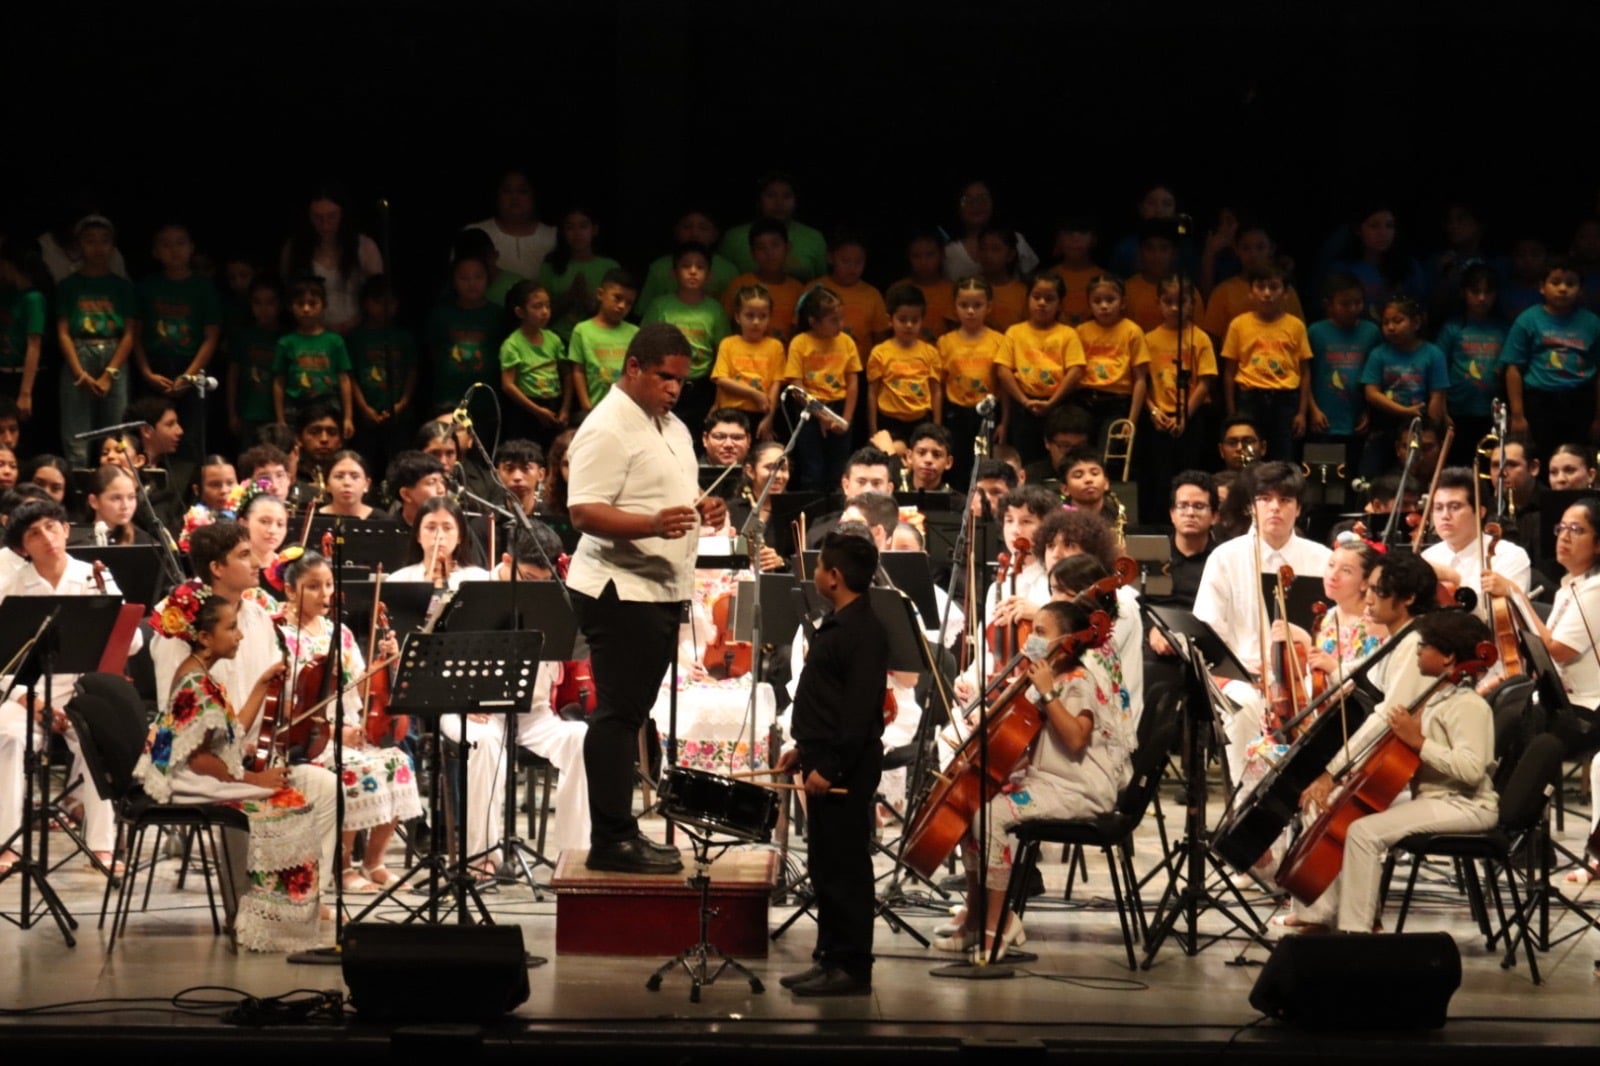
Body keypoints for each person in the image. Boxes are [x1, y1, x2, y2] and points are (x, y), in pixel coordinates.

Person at [565, 323, 726, 873]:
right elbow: (584, 511)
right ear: (633, 367)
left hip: (657, 588)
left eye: (682, 380)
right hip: (618, 589)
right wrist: (652, 523)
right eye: (665, 377)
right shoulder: (607, 427)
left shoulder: (672, 427)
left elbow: (670, 497)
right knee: (617, 714)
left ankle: (624, 830)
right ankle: (611, 839)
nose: (675, 389)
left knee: (630, 712)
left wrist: (703, 509)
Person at [934, 598, 1132, 961]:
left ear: (1069, 639)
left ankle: (998, 929)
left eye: (1041, 633)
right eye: (1032, 631)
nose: (1031, 641)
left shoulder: (1078, 681)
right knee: (970, 802)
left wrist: (1047, 692)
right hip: (1048, 782)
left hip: (1080, 789)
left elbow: (1075, 738)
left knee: (991, 817)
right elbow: (1030, 743)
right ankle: (976, 919)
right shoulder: (1046, 677)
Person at [135, 588, 321, 951]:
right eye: (231, 628)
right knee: (287, 804)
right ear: (205, 638)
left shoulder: (202, 674)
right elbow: (199, 759)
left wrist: (262, 685)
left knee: (286, 796)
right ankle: (263, 921)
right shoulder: (195, 684)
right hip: (188, 780)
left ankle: (265, 915)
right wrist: (254, 780)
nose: (240, 635)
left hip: (202, 772)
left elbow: (229, 729)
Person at [1290, 609, 1498, 934]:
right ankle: (1321, 916)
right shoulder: (1436, 695)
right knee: (1340, 811)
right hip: (1434, 797)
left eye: (1424, 646)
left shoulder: (1469, 705)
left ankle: (1357, 930)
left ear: (1448, 657)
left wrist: (1418, 742)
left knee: (1364, 833)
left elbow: (1472, 770)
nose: (1417, 650)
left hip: (1467, 805)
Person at [774, 530, 889, 996]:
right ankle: (828, 956)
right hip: (820, 756)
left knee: (846, 869)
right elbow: (825, 699)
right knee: (824, 865)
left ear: (834, 576)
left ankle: (852, 966)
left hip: (845, 767)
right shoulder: (838, 623)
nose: (815, 574)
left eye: (820, 567)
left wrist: (832, 766)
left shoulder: (864, 631)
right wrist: (804, 748)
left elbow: (859, 712)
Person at [438, 526, 592, 872]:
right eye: (526, 577)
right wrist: (464, 699)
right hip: (471, 709)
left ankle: (573, 857)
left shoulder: (556, 596)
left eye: (543, 580)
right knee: (485, 744)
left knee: (582, 739)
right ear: (506, 561)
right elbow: (439, 655)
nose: (535, 587)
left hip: (532, 712)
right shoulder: (468, 589)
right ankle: (482, 858)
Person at [0, 499, 142, 874]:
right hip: (29, 694)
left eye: (52, 526)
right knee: (7, 734)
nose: (47, 537)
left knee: (97, 737)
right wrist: (35, 705)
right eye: (34, 533)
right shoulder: (11, 588)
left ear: (65, 529)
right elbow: (3, 667)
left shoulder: (93, 574)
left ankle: (102, 847)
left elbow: (134, 643)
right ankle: (8, 845)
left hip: (83, 690)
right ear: (22, 546)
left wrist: (107, 601)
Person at [274, 551, 419, 893]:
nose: (325, 593)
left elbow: (363, 686)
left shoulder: (339, 632)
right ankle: (343, 866)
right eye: (312, 586)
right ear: (291, 590)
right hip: (308, 738)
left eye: (328, 585)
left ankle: (375, 862)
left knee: (398, 761)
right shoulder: (280, 634)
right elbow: (291, 702)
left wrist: (387, 660)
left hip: (349, 730)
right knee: (355, 769)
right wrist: (337, 733)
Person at [1192, 461, 1333, 782]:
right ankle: (1246, 798)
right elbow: (1209, 627)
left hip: (1304, 676)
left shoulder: (1322, 558)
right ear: (1252, 506)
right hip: (1242, 675)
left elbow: (1331, 625)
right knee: (1242, 708)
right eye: (1265, 499)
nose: (1275, 508)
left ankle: (1306, 792)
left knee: (1323, 701)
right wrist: (1246, 671)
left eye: (1285, 501)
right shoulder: (1226, 556)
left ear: (1298, 509)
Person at [134, 222, 221, 458]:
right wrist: (146, 372)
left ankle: (188, 491)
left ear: (191, 247)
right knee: (151, 437)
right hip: (156, 370)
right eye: (166, 244)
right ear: (155, 251)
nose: (174, 250)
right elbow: (136, 334)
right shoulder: (146, 286)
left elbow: (211, 336)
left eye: (180, 243)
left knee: (190, 438)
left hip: (191, 369)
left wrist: (189, 376)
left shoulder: (203, 287)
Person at [1501, 256, 1600, 465]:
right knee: (1540, 460)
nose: (1563, 289)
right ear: (1542, 287)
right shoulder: (1528, 320)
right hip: (1540, 403)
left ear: (1580, 289)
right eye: (1555, 283)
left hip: (1580, 401)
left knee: (1578, 460)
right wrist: (1518, 415)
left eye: (1570, 284)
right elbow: (1513, 369)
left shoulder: (1592, 322)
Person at [55, 216, 136, 466]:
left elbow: (130, 333)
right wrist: (79, 372)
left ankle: (114, 487)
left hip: (114, 357)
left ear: (112, 246)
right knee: (77, 434)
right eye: (90, 241)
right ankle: (79, 495)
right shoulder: (69, 286)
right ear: (79, 245)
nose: (97, 247)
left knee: (114, 432)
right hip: (79, 355)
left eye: (104, 241)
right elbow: (63, 332)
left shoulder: (122, 287)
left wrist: (110, 372)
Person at [1137, 274, 1217, 522]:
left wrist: (1184, 415)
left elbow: (1205, 381)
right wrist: (1152, 411)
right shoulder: (1148, 339)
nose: (1174, 308)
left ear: (1192, 304)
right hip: (1158, 417)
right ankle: (1162, 523)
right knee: (1160, 476)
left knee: (1189, 472)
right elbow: (1142, 382)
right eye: (1168, 301)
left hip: (1191, 416)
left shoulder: (1200, 337)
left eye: (1181, 302)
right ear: (1158, 303)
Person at [1221, 263, 1313, 464]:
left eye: (1274, 287)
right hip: (1249, 397)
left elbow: (1305, 372)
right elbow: (1229, 372)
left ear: (1286, 293)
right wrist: (1232, 411)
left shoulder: (1295, 325)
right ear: (1251, 292)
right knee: (1247, 456)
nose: (1267, 293)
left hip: (1285, 399)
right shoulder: (1239, 324)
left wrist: (1302, 413)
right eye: (1261, 287)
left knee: (1283, 458)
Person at [641, 242, 729, 435]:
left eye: (700, 267)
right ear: (673, 273)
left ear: (709, 274)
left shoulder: (715, 310)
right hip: (665, 382)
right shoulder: (660, 306)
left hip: (701, 386)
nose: (693, 271)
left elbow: (722, 351)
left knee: (697, 435)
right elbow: (646, 346)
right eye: (686, 266)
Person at [997, 272, 1085, 466]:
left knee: (1061, 462)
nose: (1042, 303)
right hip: (1023, 407)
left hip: (1058, 407)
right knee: (1025, 460)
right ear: (1027, 298)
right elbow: (1003, 370)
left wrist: (1052, 402)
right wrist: (1024, 400)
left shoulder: (1067, 334)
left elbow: (1075, 371)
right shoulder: (1015, 332)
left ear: (1060, 303)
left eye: (1049, 298)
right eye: (1036, 297)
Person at [1421, 466, 1532, 617]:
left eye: (1455, 507)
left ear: (1480, 512)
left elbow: (1505, 619)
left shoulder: (1509, 556)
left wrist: (1455, 579)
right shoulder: (1428, 557)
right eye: (1438, 508)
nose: (1445, 515)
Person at [1358, 295, 1448, 476]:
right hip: (1385, 422)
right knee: (1372, 474)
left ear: (1415, 323)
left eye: (1398, 321)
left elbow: (1437, 395)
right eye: (1386, 322)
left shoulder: (1433, 353)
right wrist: (1403, 411)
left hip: (1420, 423)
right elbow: (1371, 393)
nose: (1391, 327)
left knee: (1419, 474)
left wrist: (1433, 426)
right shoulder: (1378, 354)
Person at [782, 286, 861, 492]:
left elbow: (852, 382)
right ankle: (811, 516)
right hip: (809, 410)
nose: (840, 325)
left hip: (839, 407)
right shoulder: (800, 343)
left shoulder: (846, 342)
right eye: (833, 320)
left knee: (839, 469)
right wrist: (821, 416)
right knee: (812, 469)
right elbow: (796, 386)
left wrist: (846, 419)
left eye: (841, 318)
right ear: (813, 321)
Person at [279, 184, 384, 335]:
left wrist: (357, 321)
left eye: (332, 216)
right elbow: (287, 293)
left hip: (359, 331)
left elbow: (377, 295)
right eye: (317, 217)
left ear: (343, 214)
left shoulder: (365, 247)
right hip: (311, 332)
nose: (325, 224)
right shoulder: (294, 248)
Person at [1306, 272, 1380, 474]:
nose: (1353, 309)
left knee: (1355, 480)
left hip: (1356, 420)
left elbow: (1375, 376)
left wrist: (1367, 411)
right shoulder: (1315, 332)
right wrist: (1312, 409)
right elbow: (1306, 375)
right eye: (1345, 304)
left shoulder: (1371, 332)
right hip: (1324, 420)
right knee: (1324, 481)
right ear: (1328, 304)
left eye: (1357, 302)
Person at [937, 277, 1008, 487]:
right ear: (955, 307)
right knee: (957, 465)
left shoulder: (998, 341)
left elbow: (1003, 385)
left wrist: (1004, 422)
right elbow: (939, 387)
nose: (970, 311)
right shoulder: (945, 342)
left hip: (986, 416)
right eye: (964, 305)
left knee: (983, 464)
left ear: (989, 307)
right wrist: (938, 423)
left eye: (977, 305)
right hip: (955, 415)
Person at [343, 274, 418, 467]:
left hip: (399, 414)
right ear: (366, 303)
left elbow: (412, 371)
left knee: (400, 463)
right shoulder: (356, 337)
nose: (385, 307)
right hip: (366, 414)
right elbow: (350, 376)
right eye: (378, 301)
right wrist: (364, 408)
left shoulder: (403, 337)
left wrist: (401, 404)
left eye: (390, 302)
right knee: (364, 463)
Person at [1434, 263, 1506, 464]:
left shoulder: (1503, 328)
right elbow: (1438, 371)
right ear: (1464, 293)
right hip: (1458, 411)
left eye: (1488, 292)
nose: (1482, 298)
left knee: (1488, 466)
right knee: (1458, 464)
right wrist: (1443, 410)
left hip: (1491, 413)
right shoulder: (1452, 328)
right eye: (1475, 292)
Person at [1074, 274, 1148, 454]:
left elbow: (1140, 379)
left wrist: (1131, 420)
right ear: (1089, 303)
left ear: (1123, 302)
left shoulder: (1132, 331)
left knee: (1106, 452)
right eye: (1097, 301)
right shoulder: (1081, 331)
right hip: (1084, 400)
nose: (1104, 306)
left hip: (1117, 402)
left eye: (1110, 300)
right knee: (1080, 452)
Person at [272, 276, 354, 437]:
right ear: (291, 307)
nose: (306, 309)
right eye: (300, 304)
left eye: (312, 303)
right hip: (296, 405)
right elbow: (279, 381)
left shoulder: (334, 341)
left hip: (328, 402)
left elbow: (344, 379)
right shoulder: (286, 342)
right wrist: (280, 419)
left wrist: (348, 417)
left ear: (324, 305)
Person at [427, 254, 504, 417]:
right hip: (449, 396)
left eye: (478, 277)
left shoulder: (497, 314)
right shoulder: (441, 314)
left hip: (486, 397)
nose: (472, 283)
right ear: (453, 281)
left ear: (487, 279)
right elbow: (433, 351)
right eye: (464, 278)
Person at [867, 284, 942, 444]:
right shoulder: (879, 352)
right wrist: (873, 429)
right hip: (889, 421)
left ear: (922, 320)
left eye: (914, 320)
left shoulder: (930, 352)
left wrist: (936, 426)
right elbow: (872, 393)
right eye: (902, 320)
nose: (909, 325)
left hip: (921, 420)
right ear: (890, 320)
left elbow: (935, 391)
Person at [719, 173, 827, 282]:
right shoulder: (734, 237)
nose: (779, 203)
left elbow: (823, 282)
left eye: (787, 196)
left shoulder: (814, 238)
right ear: (759, 199)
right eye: (771, 195)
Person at [710, 284, 785, 439]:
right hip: (730, 413)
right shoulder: (728, 343)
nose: (756, 322)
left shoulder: (775, 346)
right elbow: (721, 379)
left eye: (763, 316)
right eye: (749, 315)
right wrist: (754, 394)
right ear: (738, 317)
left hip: (760, 414)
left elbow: (776, 385)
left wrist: (769, 419)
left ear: (770, 317)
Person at [499, 279, 568, 445]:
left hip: (554, 405)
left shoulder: (554, 339)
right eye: (537, 306)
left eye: (547, 306)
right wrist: (537, 411)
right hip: (527, 409)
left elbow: (567, 375)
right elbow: (508, 385)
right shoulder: (512, 344)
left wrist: (565, 408)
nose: (544, 312)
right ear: (520, 312)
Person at [566, 268, 640, 417]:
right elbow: (578, 370)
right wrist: (586, 405)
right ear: (600, 294)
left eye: (629, 303)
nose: (622, 306)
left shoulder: (635, 332)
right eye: (617, 298)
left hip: (627, 407)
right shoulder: (582, 330)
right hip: (595, 406)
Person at [465, 169, 558, 281]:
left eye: (522, 191)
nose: (515, 197)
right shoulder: (474, 234)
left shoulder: (555, 236)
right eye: (507, 191)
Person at [942, 179, 1040, 282]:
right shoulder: (946, 250)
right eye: (966, 200)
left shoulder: (1016, 240)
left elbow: (1031, 283)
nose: (975, 205)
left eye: (982, 198)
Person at [721, 220, 804, 342]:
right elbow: (725, 327)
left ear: (787, 248)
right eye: (761, 248)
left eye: (775, 245)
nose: (769, 253)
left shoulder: (798, 289)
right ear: (752, 253)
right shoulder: (739, 285)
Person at [226, 276, 285, 445]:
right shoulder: (244, 336)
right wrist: (232, 414)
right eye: (257, 303)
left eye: (270, 303)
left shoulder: (286, 338)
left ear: (280, 305)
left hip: (276, 415)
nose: (263, 309)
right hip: (248, 414)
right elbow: (233, 377)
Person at [391, 496, 494, 587]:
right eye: (431, 528)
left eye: (447, 528)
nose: (439, 536)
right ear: (418, 536)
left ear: (460, 536)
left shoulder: (478, 580)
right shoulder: (398, 580)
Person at [0, 236, 48, 420]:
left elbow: (34, 345)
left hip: (23, 377)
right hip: (4, 373)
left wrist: (25, 393)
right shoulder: (7, 294)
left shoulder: (33, 299)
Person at [893, 229, 958, 340]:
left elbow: (957, 333)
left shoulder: (951, 291)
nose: (923, 262)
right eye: (916, 256)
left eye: (930, 254)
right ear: (908, 257)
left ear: (942, 255)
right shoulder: (898, 290)